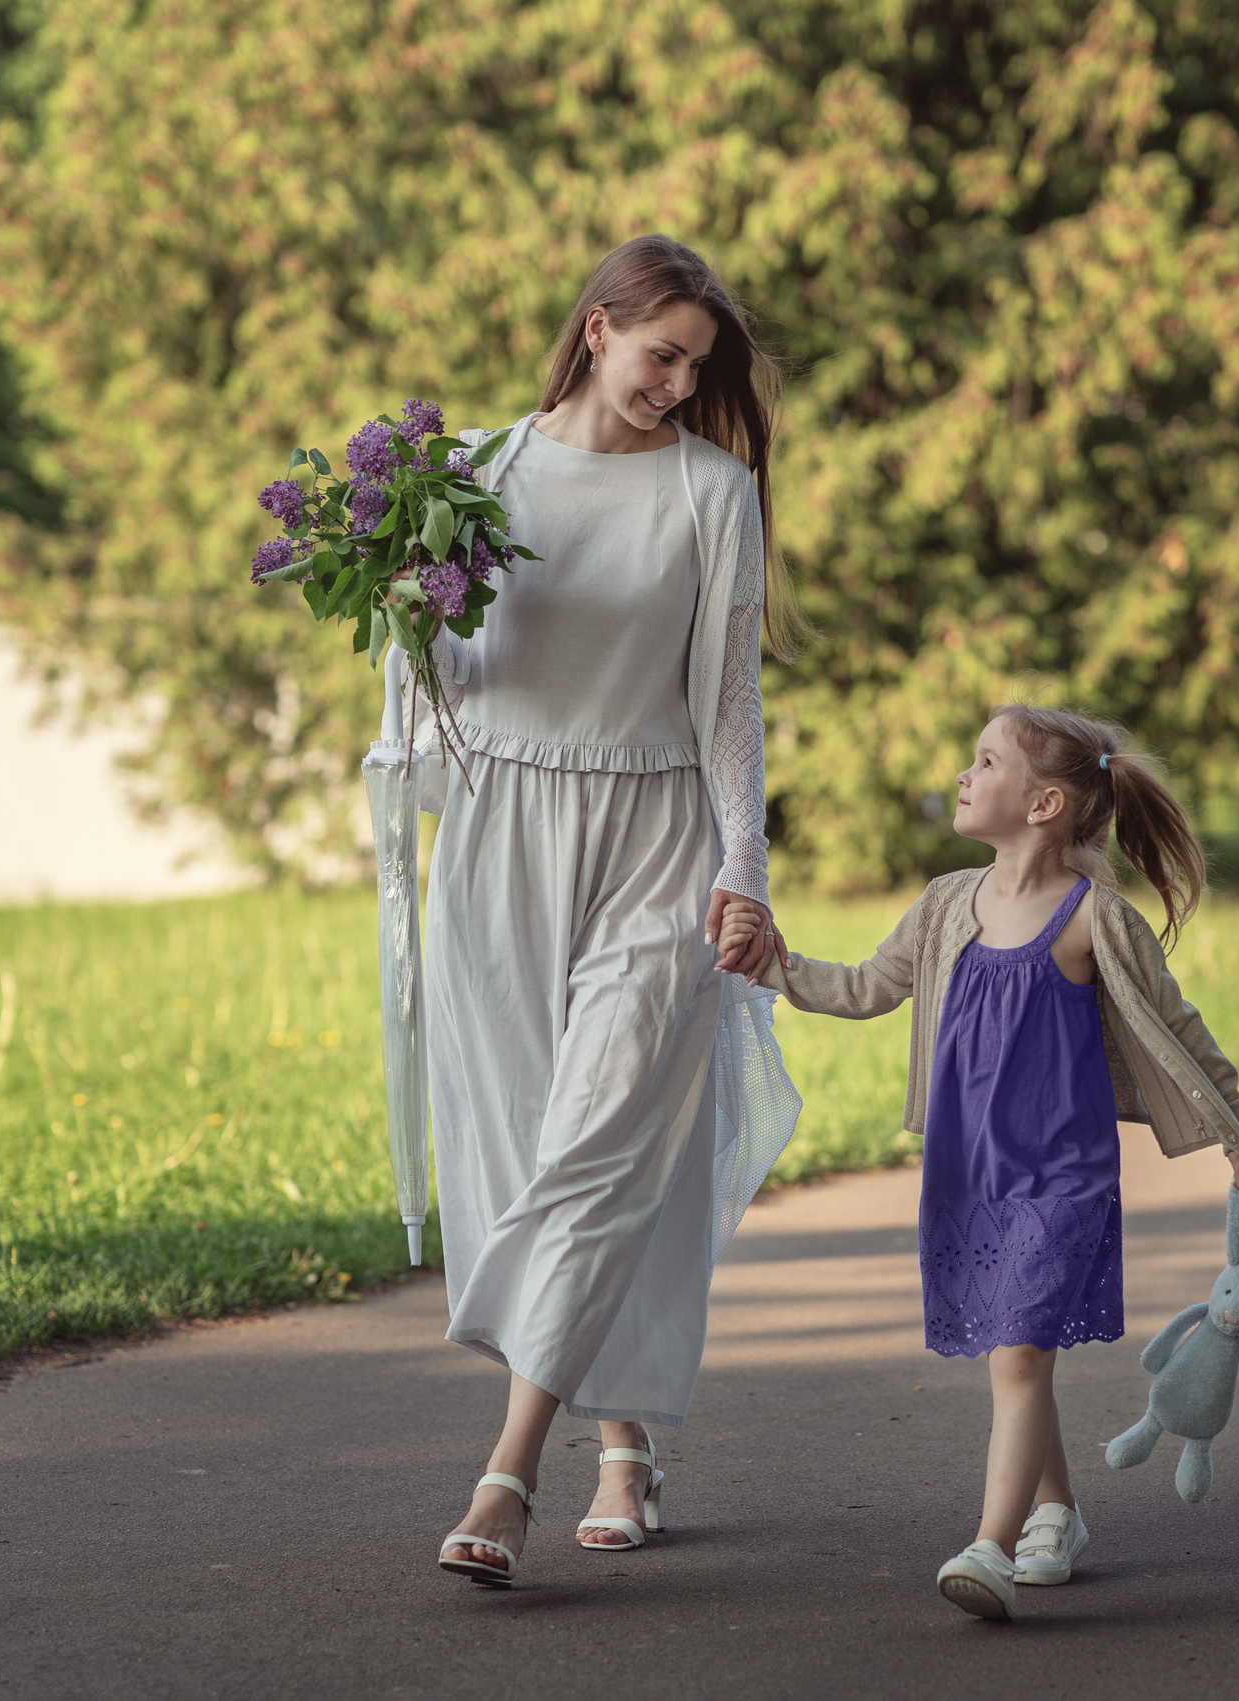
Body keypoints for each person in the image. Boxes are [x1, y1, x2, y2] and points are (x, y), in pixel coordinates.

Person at [417, 235, 803, 1587]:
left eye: (699, 367)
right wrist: (405, 613)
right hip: (500, 842)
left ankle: (508, 1468)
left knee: (600, 1135)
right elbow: (448, 678)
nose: (681, 383)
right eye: (664, 356)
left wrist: (741, 874)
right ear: (597, 331)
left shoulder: (711, 493)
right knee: (543, 1143)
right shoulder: (473, 473)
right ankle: (625, 1441)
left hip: (656, 840)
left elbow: (731, 707)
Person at [727, 704, 1239, 1621]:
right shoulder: (948, 904)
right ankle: (1056, 1509)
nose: (963, 774)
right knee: (1013, 1353)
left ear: (1045, 802)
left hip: (1062, 1179)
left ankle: (990, 1542)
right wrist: (777, 966)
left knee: (1019, 1356)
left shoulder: (1093, 917)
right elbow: (866, 987)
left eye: (985, 761)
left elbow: (1176, 1026)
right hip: (968, 1174)